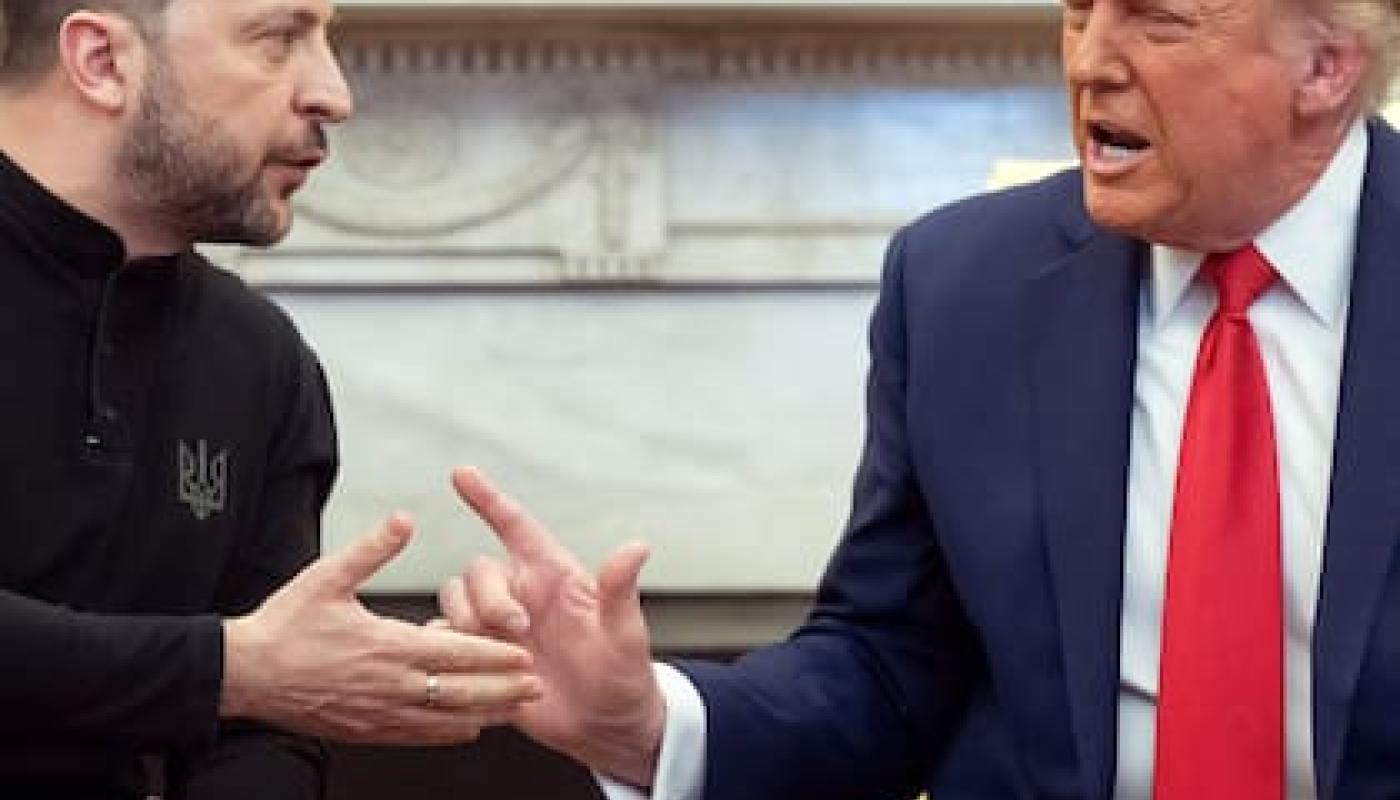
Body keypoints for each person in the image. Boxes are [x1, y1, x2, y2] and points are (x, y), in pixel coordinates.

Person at [438, 0, 1400, 797]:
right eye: (1078, 12)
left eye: (1158, 21)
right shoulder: (964, 283)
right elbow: (891, 666)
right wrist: (646, 721)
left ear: (1324, 68)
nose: (1089, 63)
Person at [0, 0, 542, 797]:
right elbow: (253, 677)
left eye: (326, 40)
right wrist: (225, 671)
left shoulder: (262, 358)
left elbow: (271, 722)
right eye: (279, 40)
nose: (335, 95)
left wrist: (316, 677)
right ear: (102, 62)